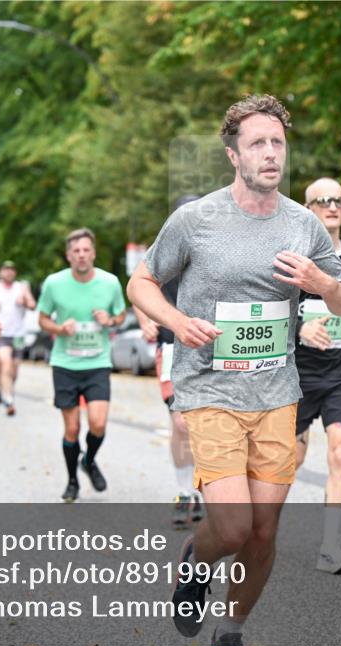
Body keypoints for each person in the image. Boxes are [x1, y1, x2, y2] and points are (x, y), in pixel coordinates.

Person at [127, 94, 341, 646]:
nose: (271, 153)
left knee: (262, 532)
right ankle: (196, 559)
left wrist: (322, 282)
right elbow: (141, 282)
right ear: (234, 154)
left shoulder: (304, 224)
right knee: (230, 528)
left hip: (277, 391)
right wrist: (177, 322)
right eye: (258, 143)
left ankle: (229, 634)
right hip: (210, 389)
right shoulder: (196, 220)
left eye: (278, 142)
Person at [291, 177, 341, 575]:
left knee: (339, 451)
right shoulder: (293, 256)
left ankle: (329, 547)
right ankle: (257, 534)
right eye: (323, 200)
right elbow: (277, 310)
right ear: (308, 209)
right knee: (291, 459)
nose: (332, 206)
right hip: (300, 373)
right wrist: (299, 330)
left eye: (339, 199)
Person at [38, 228, 126, 502]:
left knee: (98, 424)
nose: (82, 255)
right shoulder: (54, 283)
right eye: (76, 251)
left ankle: (88, 460)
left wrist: (109, 321)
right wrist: (59, 328)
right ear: (68, 256)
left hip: (97, 363)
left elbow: (121, 315)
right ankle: (73, 481)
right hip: (65, 364)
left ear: (94, 253)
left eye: (86, 250)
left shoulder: (110, 283)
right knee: (73, 428)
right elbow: (42, 319)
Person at [135, 195, 204, 527]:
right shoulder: (163, 246)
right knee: (180, 422)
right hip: (172, 344)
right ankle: (184, 492)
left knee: (205, 421)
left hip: (209, 346)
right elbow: (138, 286)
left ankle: (204, 488)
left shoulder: (218, 247)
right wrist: (143, 318)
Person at [0, 260, 36, 416]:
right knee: (5, 364)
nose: (9, 272)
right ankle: (8, 399)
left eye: (12, 269)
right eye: (6, 269)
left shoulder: (21, 288)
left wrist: (25, 300)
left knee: (14, 369)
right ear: (1, 272)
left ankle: (4, 387)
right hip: (2, 333)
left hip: (18, 334)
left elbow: (32, 305)